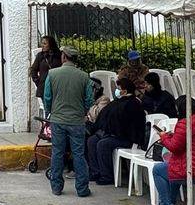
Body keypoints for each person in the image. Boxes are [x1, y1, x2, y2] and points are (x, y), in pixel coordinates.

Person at [42, 46, 94, 197]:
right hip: (77, 121)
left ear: (64, 57)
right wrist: (82, 112)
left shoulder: (52, 74)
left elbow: (47, 97)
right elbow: (89, 99)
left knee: (57, 153)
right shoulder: (84, 76)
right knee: (79, 154)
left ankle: (56, 187)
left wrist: (50, 112)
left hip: (58, 119)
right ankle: (82, 189)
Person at [85, 77, 146, 185]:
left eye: (118, 88)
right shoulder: (117, 102)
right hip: (109, 134)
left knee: (102, 144)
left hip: (125, 137)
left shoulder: (133, 104)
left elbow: (129, 125)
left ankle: (106, 175)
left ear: (125, 91)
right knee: (91, 141)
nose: (116, 90)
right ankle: (95, 172)